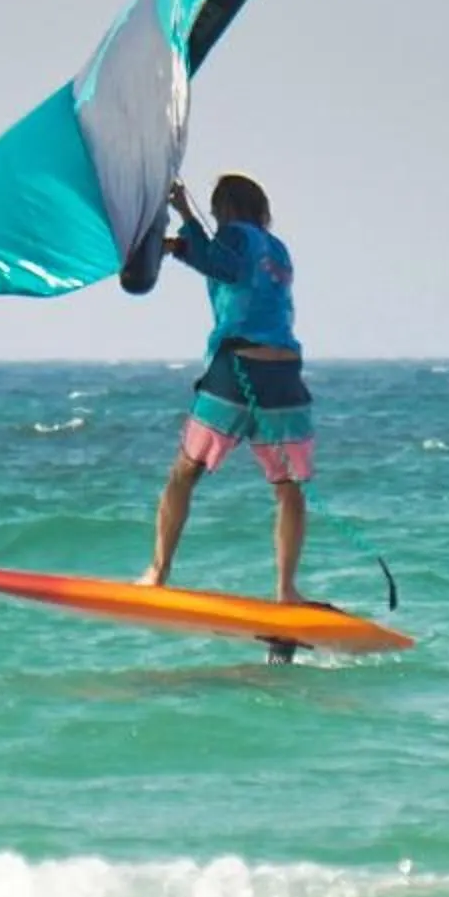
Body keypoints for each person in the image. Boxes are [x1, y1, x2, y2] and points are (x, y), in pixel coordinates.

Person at [141, 172, 314, 601]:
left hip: (239, 368)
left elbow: (222, 263)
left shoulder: (236, 236)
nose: (217, 219)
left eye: (217, 211)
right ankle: (286, 590)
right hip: (285, 375)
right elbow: (216, 259)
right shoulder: (278, 250)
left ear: (228, 210)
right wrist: (178, 234)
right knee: (289, 490)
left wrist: (181, 222)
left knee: (183, 473)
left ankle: (158, 573)